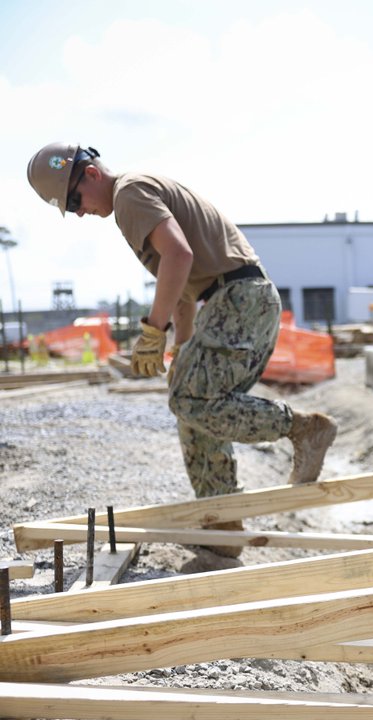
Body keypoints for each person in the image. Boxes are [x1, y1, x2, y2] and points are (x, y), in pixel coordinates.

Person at [27, 143, 338, 560]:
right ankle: (222, 519)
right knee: (189, 402)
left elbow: (179, 255)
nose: (79, 212)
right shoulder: (134, 199)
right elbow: (184, 288)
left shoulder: (129, 196)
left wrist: (153, 331)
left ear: (91, 175)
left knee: (190, 398)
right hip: (235, 300)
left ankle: (303, 429)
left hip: (239, 299)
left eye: (74, 200)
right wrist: (181, 349)